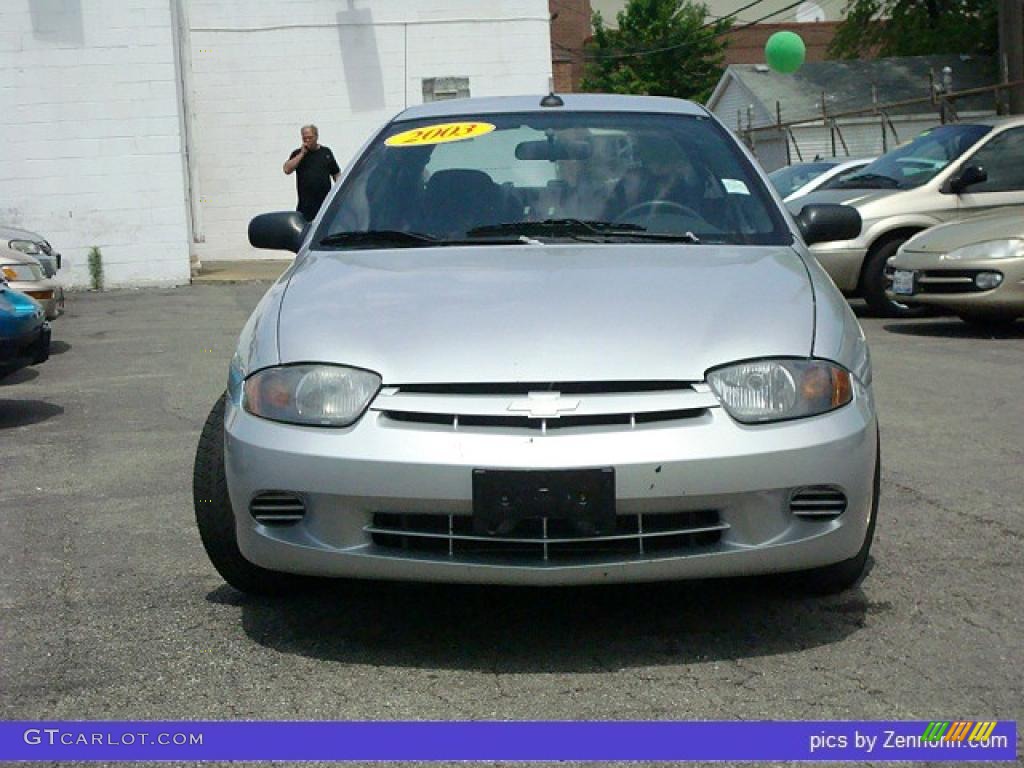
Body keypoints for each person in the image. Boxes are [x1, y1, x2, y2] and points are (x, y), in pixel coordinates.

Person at [283, 124, 341, 221]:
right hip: (306, 205)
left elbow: (336, 173)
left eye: (310, 138)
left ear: (316, 136)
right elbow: (287, 169)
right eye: (304, 138)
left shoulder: (325, 152)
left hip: (324, 202)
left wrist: (338, 191)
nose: (307, 141)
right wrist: (302, 154)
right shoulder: (297, 154)